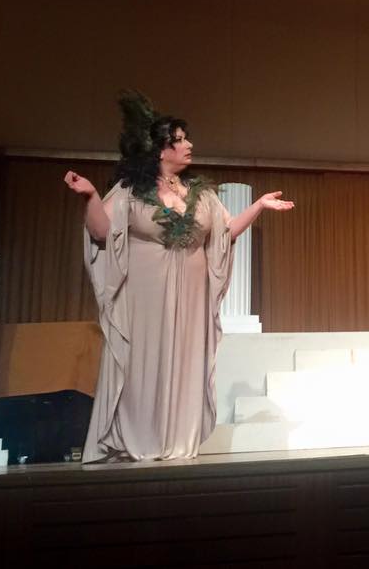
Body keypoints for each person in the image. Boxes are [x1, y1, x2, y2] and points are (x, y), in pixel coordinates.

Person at [64, 90, 294, 462]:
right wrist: (90, 195)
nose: (189, 145)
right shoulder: (132, 192)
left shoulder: (200, 195)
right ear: (160, 150)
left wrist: (258, 206)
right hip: (145, 297)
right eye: (180, 140)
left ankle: (176, 441)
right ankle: (139, 439)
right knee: (144, 365)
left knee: (185, 363)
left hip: (190, 297)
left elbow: (225, 233)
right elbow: (102, 232)